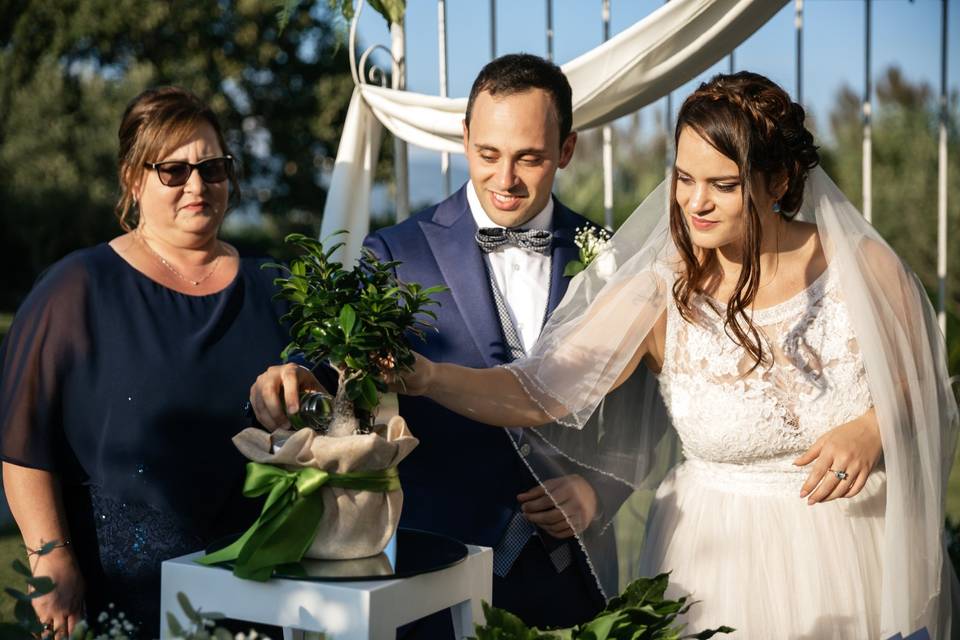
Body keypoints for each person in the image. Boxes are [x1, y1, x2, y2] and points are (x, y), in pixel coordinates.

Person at [383, 72, 960, 638]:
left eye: (723, 184)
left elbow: (928, 384)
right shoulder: (660, 290)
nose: (696, 203)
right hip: (717, 569)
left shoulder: (864, 267)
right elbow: (540, 388)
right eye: (685, 178)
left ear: (779, 181)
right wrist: (429, 375)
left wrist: (874, 426)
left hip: (856, 557)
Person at [250, 53, 634, 634]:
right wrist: (294, 377)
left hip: (569, 577)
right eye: (487, 154)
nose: (504, 180)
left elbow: (647, 412)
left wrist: (599, 490)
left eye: (529, 157)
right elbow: (334, 359)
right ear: (464, 139)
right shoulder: (396, 252)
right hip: (434, 568)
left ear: (568, 150)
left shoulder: (610, 257)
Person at [0, 87, 291, 637]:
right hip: (120, 595)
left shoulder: (275, 288)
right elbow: (22, 442)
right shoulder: (77, 289)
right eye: (174, 172)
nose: (198, 186)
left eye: (212, 167)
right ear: (134, 179)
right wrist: (49, 555)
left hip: (260, 588)